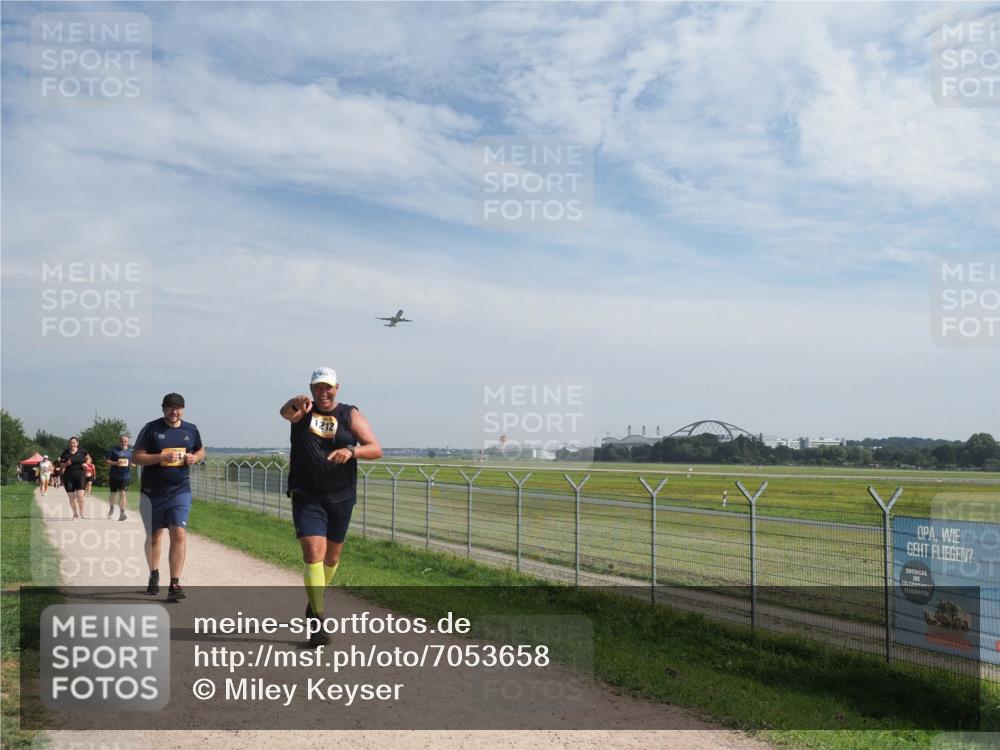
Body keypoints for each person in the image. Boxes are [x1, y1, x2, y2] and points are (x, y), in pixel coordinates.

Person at [280, 367, 381, 647]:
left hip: (341, 497)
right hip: (307, 495)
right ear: (311, 389)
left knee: (332, 559)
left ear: (337, 387)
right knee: (314, 552)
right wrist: (294, 402)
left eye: (328, 387)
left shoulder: (349, 414)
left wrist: (351, 451)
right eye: (317, 387)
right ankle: (318, 620)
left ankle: (314, 603)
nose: (323, 393)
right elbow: (284, 414)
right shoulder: (303, 411)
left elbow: (375, 448)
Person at [133, 393, 205, 602]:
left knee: (178, 533)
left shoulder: (190, 429)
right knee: (155, 537)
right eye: (170, 408)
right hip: (152, 492)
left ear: (183, 409)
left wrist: (195, 458)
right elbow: (136, 457)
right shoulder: (151, 428)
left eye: (178, 408)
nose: (174, 412)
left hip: (180, 490)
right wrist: (161, 457)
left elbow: (201, 450)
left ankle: (175, 583)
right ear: (163, 409)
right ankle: (154, 573)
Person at [106, 434, 132, 521]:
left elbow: (134, 462)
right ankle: (112, 507)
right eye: (122, 441)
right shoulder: (113, 450)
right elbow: (107, 461)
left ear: (128, 442)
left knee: (123, 493)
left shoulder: (130, 452)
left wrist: (133, 464)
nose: (123, 443)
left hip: (125, 476)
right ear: (118, 441)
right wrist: (115, 463)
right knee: (113, 494)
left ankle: (122, 513)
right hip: (114, 475)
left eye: (125, 441)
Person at [60, 437, 87, 519]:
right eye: (71, 443)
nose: (73, 444)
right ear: (69, 444)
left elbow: (89, 458)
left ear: (77, 443)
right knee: (71, 497)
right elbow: (61, 466)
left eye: (74, 443)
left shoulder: (82, 451)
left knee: (80, 495)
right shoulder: (65, 453)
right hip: (68, 476)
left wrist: (85, 464)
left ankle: (82, 512)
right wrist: (66, 464)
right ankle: (75, 514)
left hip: (80, 475)